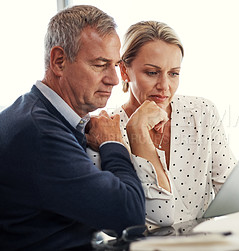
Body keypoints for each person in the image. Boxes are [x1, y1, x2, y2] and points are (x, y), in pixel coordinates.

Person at [88, 20, 239, 229]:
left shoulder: (201, 112)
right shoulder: (105, 129)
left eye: (173, 73)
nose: (164, 86)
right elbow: (112, 218)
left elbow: (230, 192)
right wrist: (137, 127)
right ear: (124, 71)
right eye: (151, 72)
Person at [0, 5, 145, 250]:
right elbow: (128, 216)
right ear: (59, 61)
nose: (114, 79)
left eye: (115, 64)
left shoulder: (39, 113)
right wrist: (113, 143)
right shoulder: (40, 133)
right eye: (100, 65)